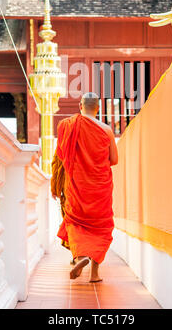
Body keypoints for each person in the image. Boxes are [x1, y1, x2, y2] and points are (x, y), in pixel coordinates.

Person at [52, 92, 118, 282]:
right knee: (101, 227)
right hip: (100, 188)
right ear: (98, 108)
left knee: (76, 223)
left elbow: (61, 157)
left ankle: (81, 257)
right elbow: (114, 159)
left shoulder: (67, 126)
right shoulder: (106, 130)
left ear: (80, 106)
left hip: (77, 187)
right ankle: (95, 274)